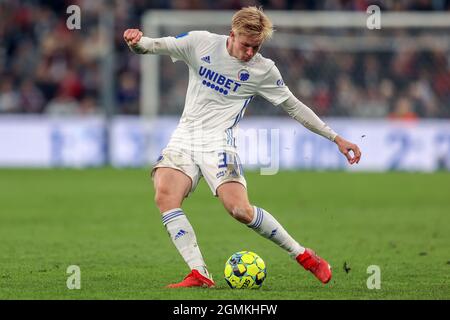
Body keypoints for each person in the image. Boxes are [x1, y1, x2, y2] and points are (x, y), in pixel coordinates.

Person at [123, 6, 361, 288]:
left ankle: (304, 256)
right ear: (232, 33)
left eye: (256, 47)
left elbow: (294, 107)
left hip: (219, 144)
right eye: (246, 46)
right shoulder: (200, 43)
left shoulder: (263, 70)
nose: (250, 53)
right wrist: (136, 41)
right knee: (165, 196)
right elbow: (152, 46)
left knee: (240, 210)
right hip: (184, 138)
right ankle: (199, 274)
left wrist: (336, 138)